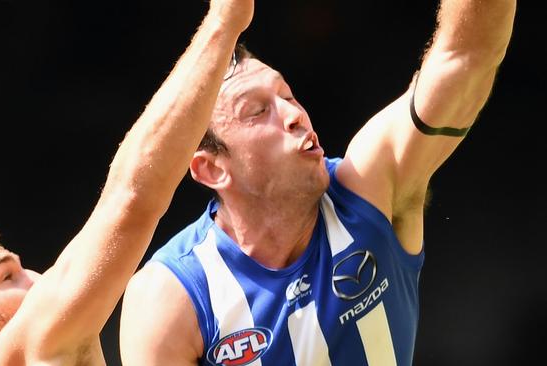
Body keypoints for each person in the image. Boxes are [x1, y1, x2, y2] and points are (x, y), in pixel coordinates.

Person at [119, 0, 517, 365]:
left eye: (288, 96)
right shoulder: (170, 297)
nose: (294, 115)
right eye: (257, 112)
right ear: (211, 170)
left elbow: (467, 57)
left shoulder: (370, 187)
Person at [0, 0, 253, 364]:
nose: (39, 280)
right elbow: (131, 201)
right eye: (7, 278)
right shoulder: (20, 351)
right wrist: (224, 23)